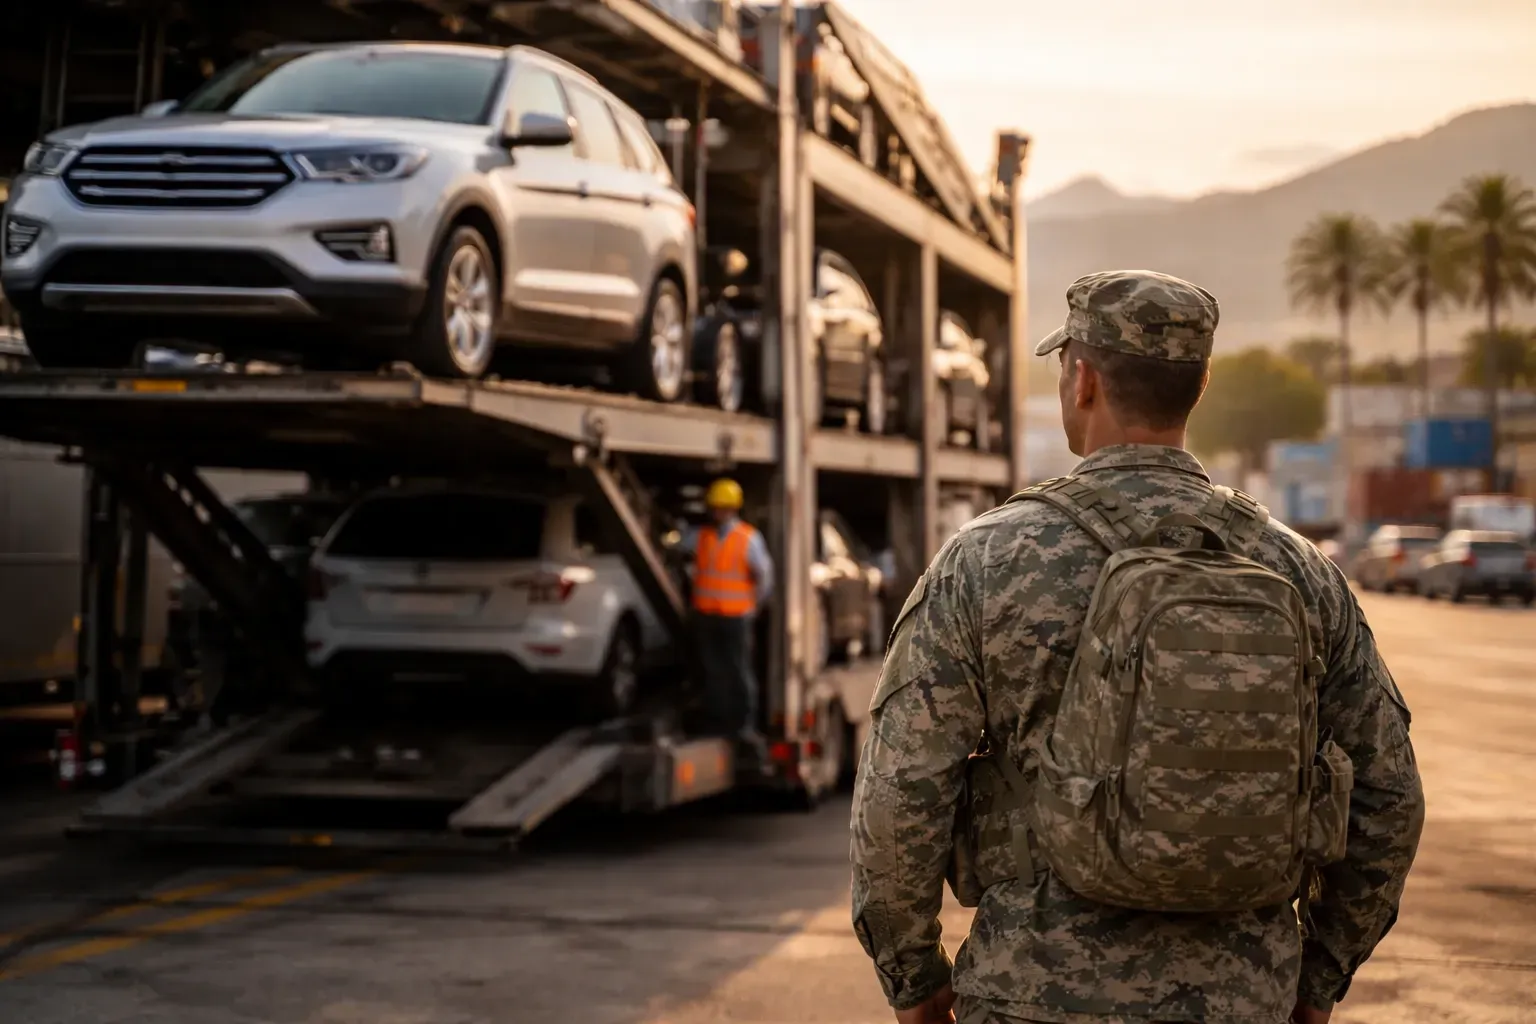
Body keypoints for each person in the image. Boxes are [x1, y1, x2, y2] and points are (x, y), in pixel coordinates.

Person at [849, 270, 1425, 1024]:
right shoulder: (1297, 568)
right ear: (1201, 382)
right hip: (1244, 1000)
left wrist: (913, 977)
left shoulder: (989, 559)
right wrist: (1315, 980)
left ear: (1082, 380)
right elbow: (1390, 797)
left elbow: (901, 791)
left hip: (1034, 999)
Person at [681, 478, 773, 749]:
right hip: (707, 617)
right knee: (713, 672)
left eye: (723, 507)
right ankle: (717, 723)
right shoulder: (702, 536)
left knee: (739, 672)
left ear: (733, 509)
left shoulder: (748, 537)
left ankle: (744, 725)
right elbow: (681, 550)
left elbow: (764, 576)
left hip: (736, 617)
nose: (718, 512)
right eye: (715, 507)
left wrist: (752, 605)